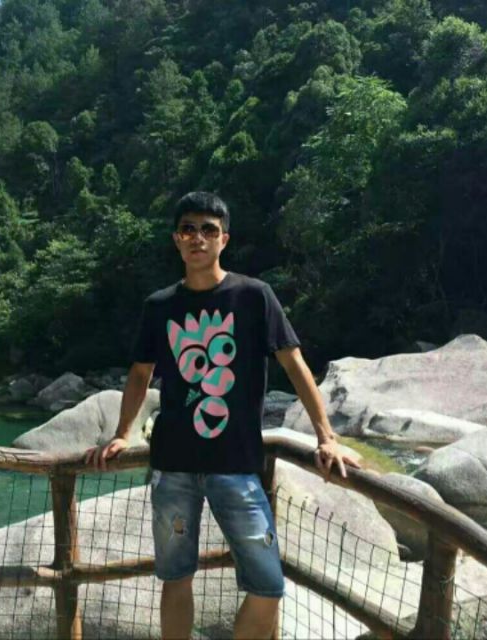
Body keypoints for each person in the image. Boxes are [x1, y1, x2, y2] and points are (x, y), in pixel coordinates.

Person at [85, 191, 360, 639]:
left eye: (208, 230)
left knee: (268, 585)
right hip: (174, 465)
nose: (198, 238)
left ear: (224, 239)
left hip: (237, 465)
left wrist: (326, 437)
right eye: (188, 229)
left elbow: (294, 365)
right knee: (176, 578)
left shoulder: (254, 296)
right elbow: (140, 373)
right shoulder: (160, 306)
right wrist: (122, 432)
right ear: (176, 239)